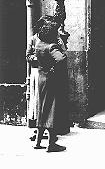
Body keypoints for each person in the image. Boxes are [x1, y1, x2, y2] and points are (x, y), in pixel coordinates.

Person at [33, 17, 69, 152]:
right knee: (52, 111)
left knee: (42, 110)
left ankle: (38, 142)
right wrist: (62, 46)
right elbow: (62, 58)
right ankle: (51, 144)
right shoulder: (51, 47)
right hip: (51, 81)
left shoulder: (39, 44)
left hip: (41, 79)